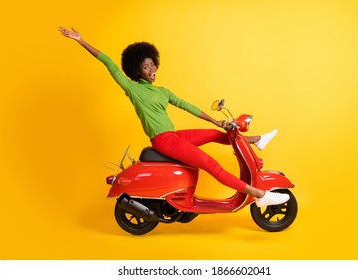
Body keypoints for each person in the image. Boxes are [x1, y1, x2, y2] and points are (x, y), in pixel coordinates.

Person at [58, 26, 289, 207]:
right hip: (163, 141)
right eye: (145, 67)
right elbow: (109, 63)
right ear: (137, 71)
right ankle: (259, 195)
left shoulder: (162, 91)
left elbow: (185, 105)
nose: (151, 70)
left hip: (174, 136)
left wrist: (215, 120)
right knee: (211, 164)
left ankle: (256, 140)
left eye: (152, 65)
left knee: (214, 134)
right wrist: (80, 41)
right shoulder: (132, 89)